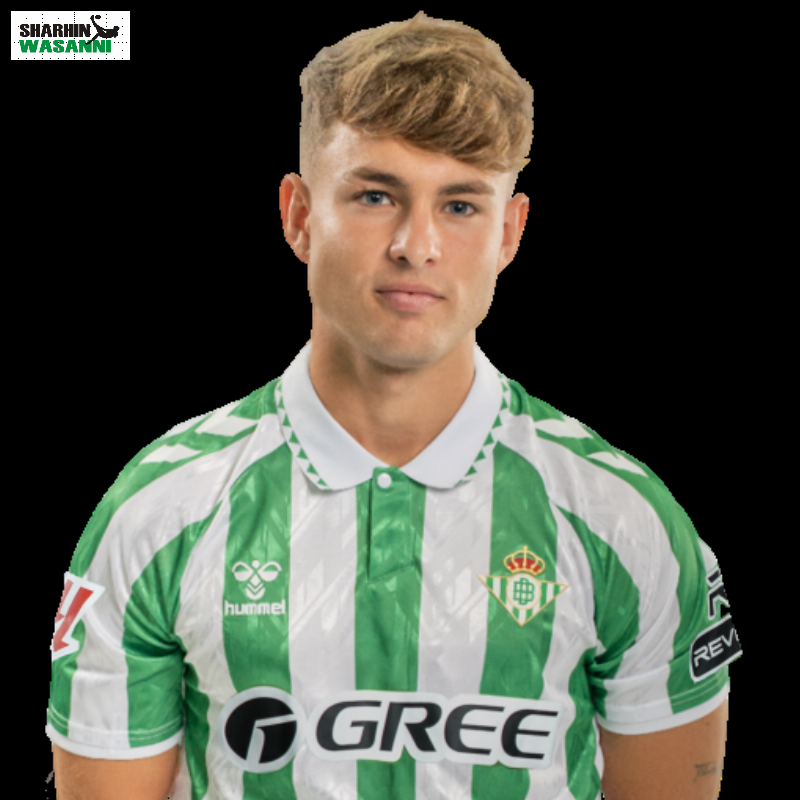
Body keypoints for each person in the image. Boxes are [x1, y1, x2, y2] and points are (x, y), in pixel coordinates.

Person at [48, 12, 739, 800]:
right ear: (299, 216)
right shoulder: (160, 511)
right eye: (376, 195)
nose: (417, 244)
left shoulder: (623, 520)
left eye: (461, 205)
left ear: (510, 233)